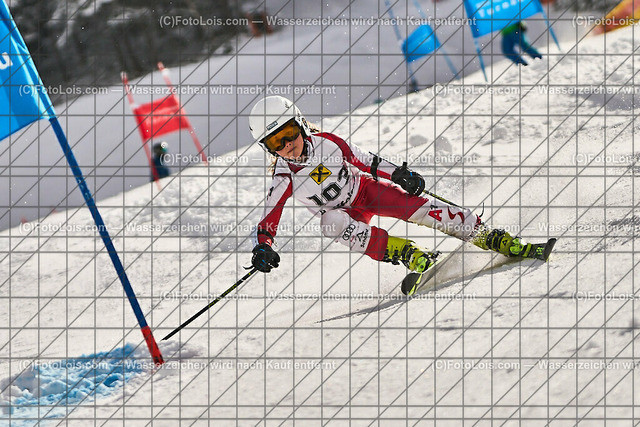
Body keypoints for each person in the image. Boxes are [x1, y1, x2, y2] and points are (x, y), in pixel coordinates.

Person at [248, 96, 528, 275]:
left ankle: (485, 234)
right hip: (345, 216)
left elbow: (365, 160)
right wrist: (263, 247)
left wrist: (399, 175)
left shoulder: (328, 143)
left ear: (300, 124)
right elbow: (269, 219)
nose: (287, 144)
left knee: (417, 208)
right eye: (276, 142)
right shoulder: (284, 178)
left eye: (289, 133)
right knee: (329, 223)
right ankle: (405, 252)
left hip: (366, 192)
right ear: (269, 149)